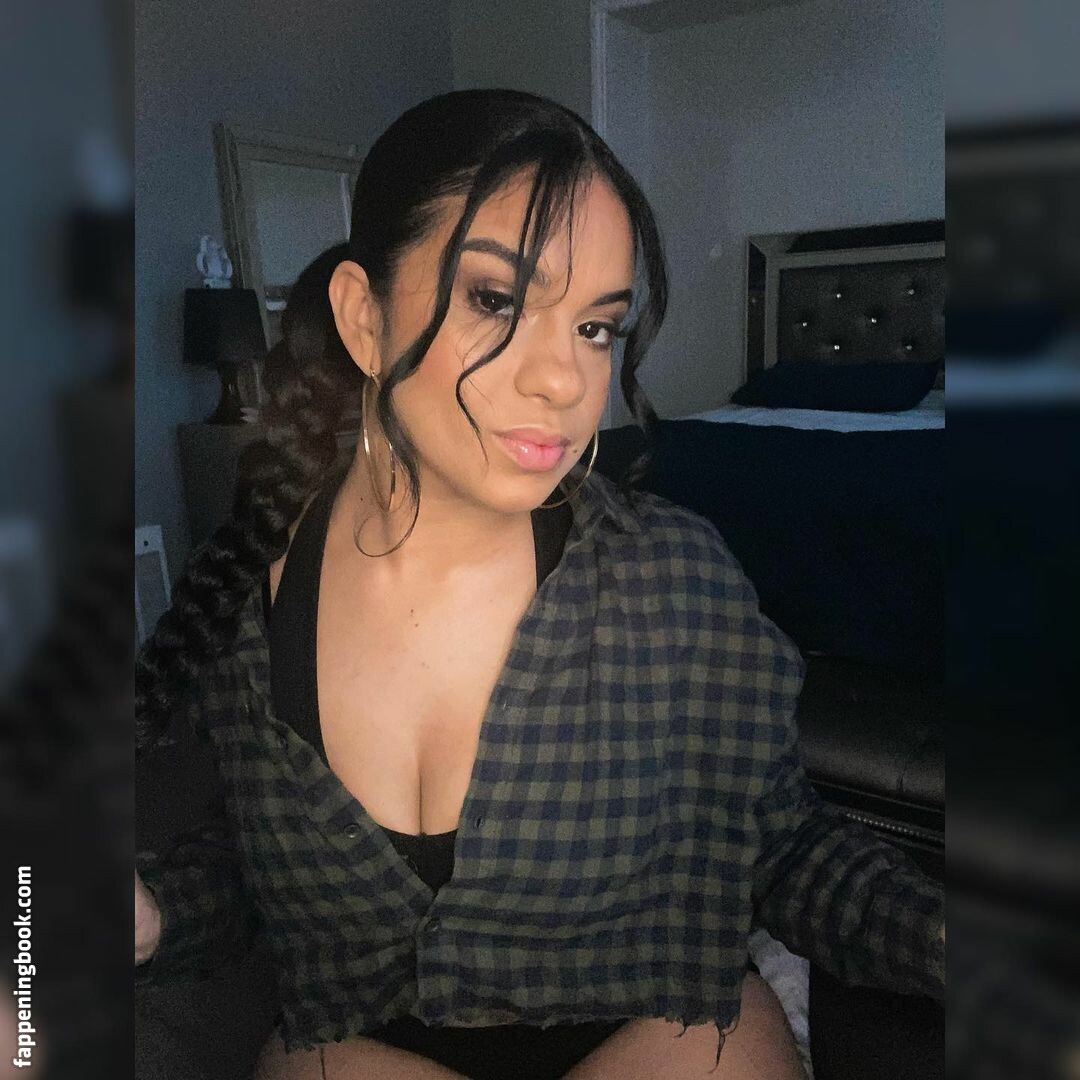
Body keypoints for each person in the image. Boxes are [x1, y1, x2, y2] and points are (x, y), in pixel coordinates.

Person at [134, 89, 944, 1079]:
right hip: (369, 1044)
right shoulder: (253, 612)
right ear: (363, 317)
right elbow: (245, 861)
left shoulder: (671, 582)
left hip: (652, 1030)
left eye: (597, 327)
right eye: (497, 301)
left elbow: (785, 849)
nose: (564, 379)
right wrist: (151, 915)